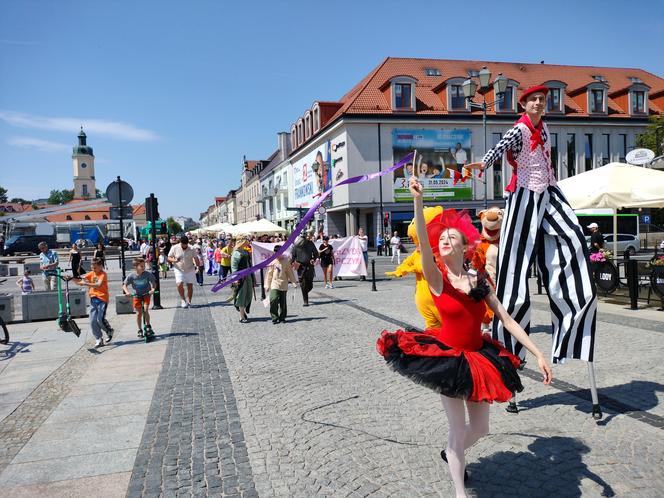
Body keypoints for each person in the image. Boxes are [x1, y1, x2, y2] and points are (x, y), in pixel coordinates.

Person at [377, 176, 552, 497]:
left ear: (463, 244)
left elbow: (506, 319)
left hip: (478, 358)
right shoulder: (436, 279)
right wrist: (418, 201)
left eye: (450, 236)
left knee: (482, 428)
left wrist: (538, 353)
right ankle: (459, 489)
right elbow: (426, 249)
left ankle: (451, 451)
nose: (444, 240)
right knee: (457, 429)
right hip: (447, 359)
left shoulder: (479, 279)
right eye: (440, 237)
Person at [466, 85, 598, 365]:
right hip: (525, 193)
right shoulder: (519, 129)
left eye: (542, 100)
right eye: (533, 100)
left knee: (574, 235)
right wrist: (483, 165)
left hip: (549, 191)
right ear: (524, 104)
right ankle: (509, 354)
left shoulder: (546, 128)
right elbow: (499, 148)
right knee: (514, 271)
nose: (538, 103)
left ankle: (572, 325)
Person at [75, 257, 112, 348]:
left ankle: (109, 331)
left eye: (95, 267)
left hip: (102, 299)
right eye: (92, 267)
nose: (93, 269)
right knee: (92, 321)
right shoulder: (91, 273)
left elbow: (98, 284)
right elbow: (80, 281)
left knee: (100, 320)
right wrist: (72, 279)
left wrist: (86, 283)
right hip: (93, 300)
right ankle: (99, 339)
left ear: (100, 266)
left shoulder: (103, 274)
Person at [123, 257, 157, 338]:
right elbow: (124, 285)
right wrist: (127, 292)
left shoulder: (147, 274)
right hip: (136, 296)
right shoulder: (131, 276)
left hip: (146, 294)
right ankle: (139, 329)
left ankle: (148, 326)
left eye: (144, 266)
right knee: (138, 313)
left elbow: (154, 283)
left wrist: (152, 289)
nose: (143, 267)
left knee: (145, 310)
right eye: (141, 266)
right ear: (135, 267)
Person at [264, 245, 298, 324]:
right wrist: (267, 285)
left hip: (283, 283)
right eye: (276, 253)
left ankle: (282, 317)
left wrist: (294, 282)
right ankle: (274, 317)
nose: (278, 255)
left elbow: (290, 272)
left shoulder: (286, 261)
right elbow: (269, 274)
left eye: (280, 253)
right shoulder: (272, 261)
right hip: (274, 283)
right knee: (273, 299)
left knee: (283, 302)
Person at [168, 235, 197, 308]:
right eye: (183, 244)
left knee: (190, 285)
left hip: (190, 268)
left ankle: (189, 301)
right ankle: (183, 299)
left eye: (186, 245)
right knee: (179, 284)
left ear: (188, 243)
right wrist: (175, 260)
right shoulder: (174, 247)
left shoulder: (192, 248)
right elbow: (169, 257)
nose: (184, 246)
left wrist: (198, 266)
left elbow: (195, 258)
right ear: (180, 243)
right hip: (179, 269)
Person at [291, 230, 319, 306]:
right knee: (303, 284)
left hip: (309, 266)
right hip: (300, 267)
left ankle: (305, 292)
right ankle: (305, 301)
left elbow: (316, 253)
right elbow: (293, 256)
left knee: (310, 285)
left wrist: (313, 258)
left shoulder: (310, 244)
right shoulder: (296, 245)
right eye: (302, 237)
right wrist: (290, 264)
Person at [231, 235, 254, 322]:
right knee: (241, 295)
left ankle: (243, 311)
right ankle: (241, 316)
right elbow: (234, 267)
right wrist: (235, 279)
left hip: (248, 276)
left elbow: (250, 264)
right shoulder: (236, 253)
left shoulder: (245, 252)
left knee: (248, 294)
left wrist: (253, 277)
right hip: (241, 278)